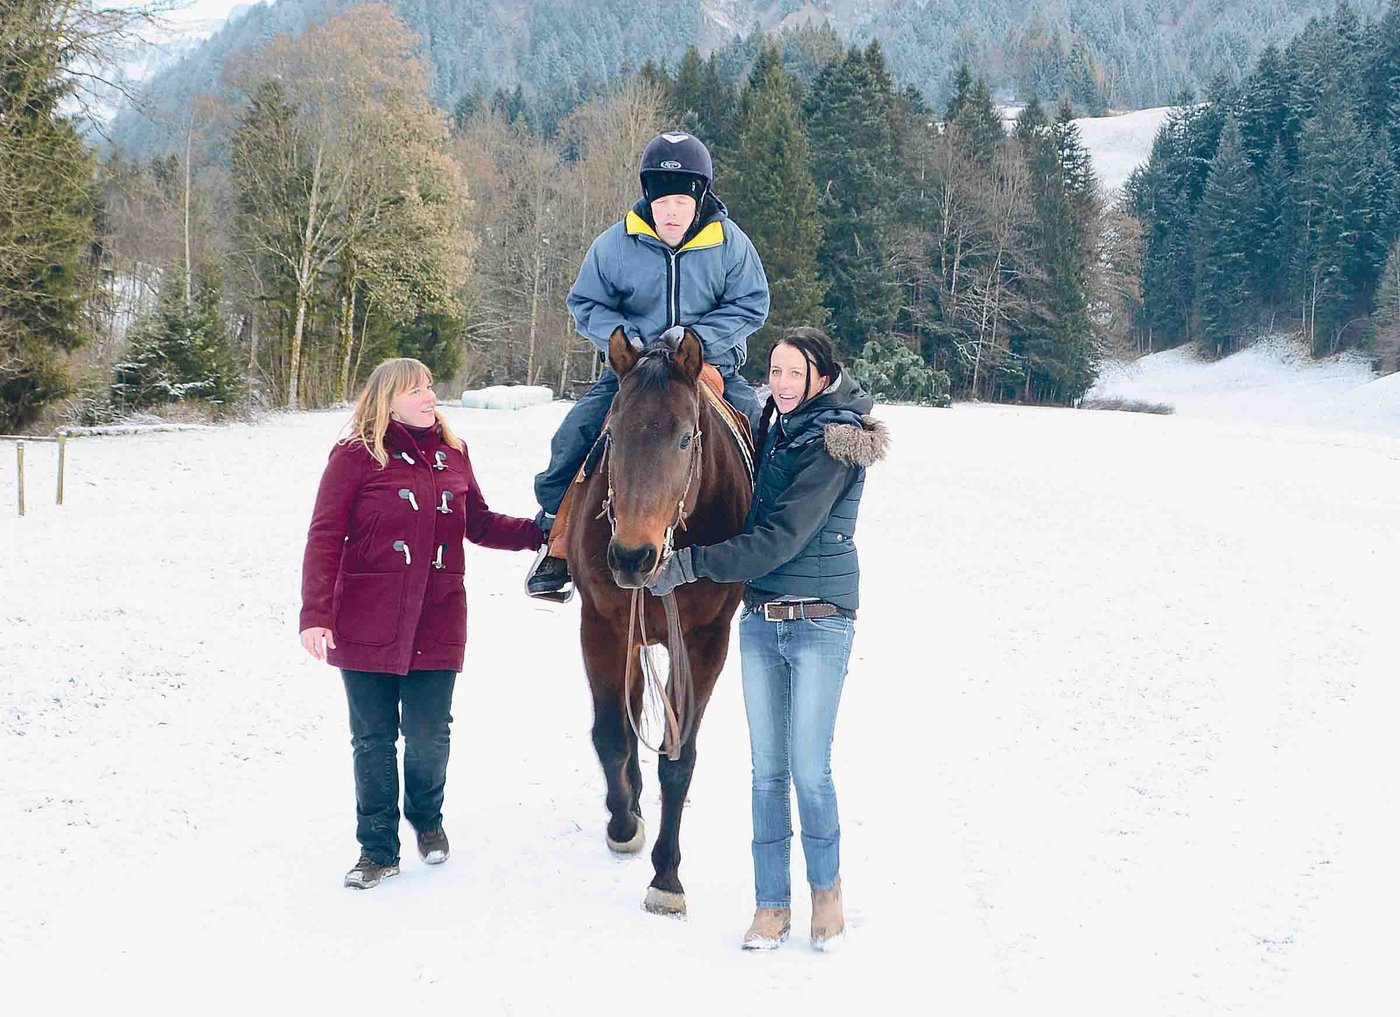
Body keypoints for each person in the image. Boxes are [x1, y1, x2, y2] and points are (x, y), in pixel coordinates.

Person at [645, 328, 888, 951]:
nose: (779, 384)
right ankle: (771, 906)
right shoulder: (771, 426)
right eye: (773, 371)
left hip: (819, 620)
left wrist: (692, 564)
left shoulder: (835, 444)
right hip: (760, 620)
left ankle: (826, 896)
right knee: (765, 775)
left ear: (821, 377)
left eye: (792, 373)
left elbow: (779, 540)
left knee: (808, 770)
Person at [299, 358, 543, 889]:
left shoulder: (453, 454)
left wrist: (541, 533)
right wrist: (315, 613)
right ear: (387, 400)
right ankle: (377, 849)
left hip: (438, 613)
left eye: (430, 386)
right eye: (416, 390)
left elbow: (478, 523)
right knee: (373, 739)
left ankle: (427, 821)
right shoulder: (355, 457)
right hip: (366, 615)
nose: (429, 396)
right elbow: (323, 536)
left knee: (431, 735)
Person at [526, 130, 770, 598]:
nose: (671, 212)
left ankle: (766, 554)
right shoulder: (616, 244)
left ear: (699, 197)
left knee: (763, 439)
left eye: (680, 200)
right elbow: (586, 303)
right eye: (662, 202)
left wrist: (699, 340)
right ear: (647, 199)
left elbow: (751, 304)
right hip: (634, 375)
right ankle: (555, 541)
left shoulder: (731, 244)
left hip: (708, 368)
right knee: (572, 436)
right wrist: (629, 342)